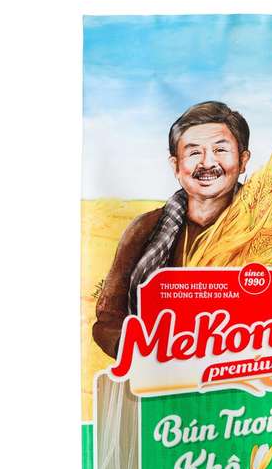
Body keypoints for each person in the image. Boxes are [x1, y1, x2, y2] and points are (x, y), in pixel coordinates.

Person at [92, 101, 251, 358]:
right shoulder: (145, 229)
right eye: (194, 152)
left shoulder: (268, 225)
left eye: (220, 150)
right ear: (176, 165)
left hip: (245, 370)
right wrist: (140, 351)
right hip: (160, 372)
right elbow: (109, 318)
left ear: (243, 161)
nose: (207, 163)